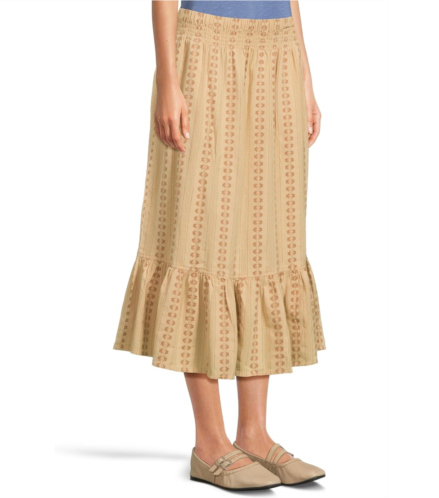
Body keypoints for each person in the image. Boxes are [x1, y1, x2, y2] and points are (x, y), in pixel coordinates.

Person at [114, 0, 326, 490]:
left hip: (278, 51)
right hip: (204, 47)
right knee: (199, 236)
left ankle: (254, 434)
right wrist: (169, 79)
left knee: (269, 240)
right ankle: (209, 441)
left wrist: (305, 72)